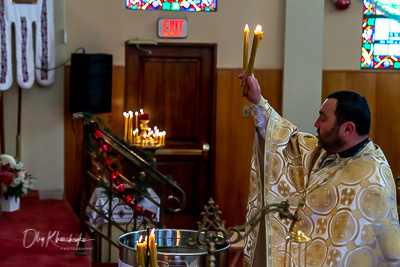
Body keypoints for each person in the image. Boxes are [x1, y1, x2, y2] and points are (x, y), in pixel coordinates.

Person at [239, 72, 400, 266]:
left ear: (348, 129)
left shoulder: (372, 181)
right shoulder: (325, 151)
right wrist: (258, 101)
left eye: (323, 119)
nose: (315, 124)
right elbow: (286, 140)